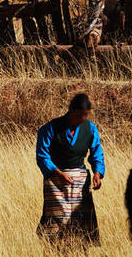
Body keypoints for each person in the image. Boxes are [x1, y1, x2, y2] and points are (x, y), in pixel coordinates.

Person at [36, 93, 105, 245]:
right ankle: (55, 255)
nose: (82, 119)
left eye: (85, 116)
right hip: (55, 181)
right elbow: (42, 156)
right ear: (71, 111)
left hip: (80, 180)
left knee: (80, 220)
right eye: (79, 115)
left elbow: (96, 153)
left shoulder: (90, 128)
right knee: (58, 219)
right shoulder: (51, 128)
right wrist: (57, 173)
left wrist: (97, 174)